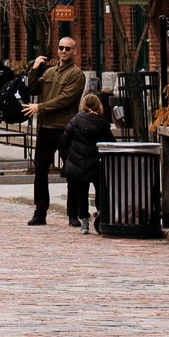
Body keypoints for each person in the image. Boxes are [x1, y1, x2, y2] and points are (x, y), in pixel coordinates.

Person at [23, 36, 84, 227]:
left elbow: (65, 99)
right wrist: (33, 70)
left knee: (71, 173)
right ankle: (40, 212)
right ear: (57, 50)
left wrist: (40, 107)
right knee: (40, 171)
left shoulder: (77, 75)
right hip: (46, 130)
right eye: (61, 48)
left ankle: (73, 214)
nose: (64, 51)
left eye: (68, 48)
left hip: (65, 129)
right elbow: (33, 88)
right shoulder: (49, 72)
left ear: (74, 51)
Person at [60, 92, 114, 233]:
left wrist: (72, 153)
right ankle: (101, 214)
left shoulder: (75, 121)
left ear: (83, 105)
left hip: (78, 163)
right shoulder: (102, 125)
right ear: (99, 107)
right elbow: (111, 143)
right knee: (101, 191)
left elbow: (65, 137)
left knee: (81, 193)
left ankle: (84, 222)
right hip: (97, 163)